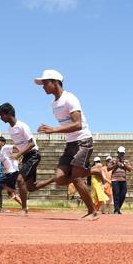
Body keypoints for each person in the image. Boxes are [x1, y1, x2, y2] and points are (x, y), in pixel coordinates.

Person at [34, 69, 98, 220]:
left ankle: (92, 211)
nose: (43, 87)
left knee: (76, 179)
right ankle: (93, 170)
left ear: (55, 82)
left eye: (45, 83)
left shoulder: (70, 98)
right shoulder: (53, 104)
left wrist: (54, 129)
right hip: (70, 143)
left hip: (83, 141)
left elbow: (78, 124)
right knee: (60, 179)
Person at [0, 102, 48, 214]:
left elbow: (31, 144)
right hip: (26, 156)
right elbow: (20, 145)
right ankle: (54, 179)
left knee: (20, 179)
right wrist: (19, 154)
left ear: (8, 113)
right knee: (31, 187)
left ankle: (24, 209)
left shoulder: (22, 126)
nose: (0, 118)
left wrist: (18, 155)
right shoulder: (10, 130)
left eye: (1, 115)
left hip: (34, 154)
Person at [0, 137, 22, 207]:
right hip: (9, 172)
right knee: (10, 193)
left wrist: (19, 154)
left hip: (13, 171)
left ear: (3, 143)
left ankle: (12, 190)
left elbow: (16, 146)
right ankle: (24, 206)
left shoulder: (5, 147)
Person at [107, 146, 132, 214]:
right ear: (117, 153)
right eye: (120, 153)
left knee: (123, 194)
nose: (121, 155)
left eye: (122, 153)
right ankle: (117, 209)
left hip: (123, 180)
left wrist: (124, 164)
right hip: (115, 180)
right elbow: (108, 168)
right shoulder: (113, 160)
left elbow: (130, 169)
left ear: (124, 153)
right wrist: (115, 165)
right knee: (116, 194)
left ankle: (118, 208)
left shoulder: (126, 161)